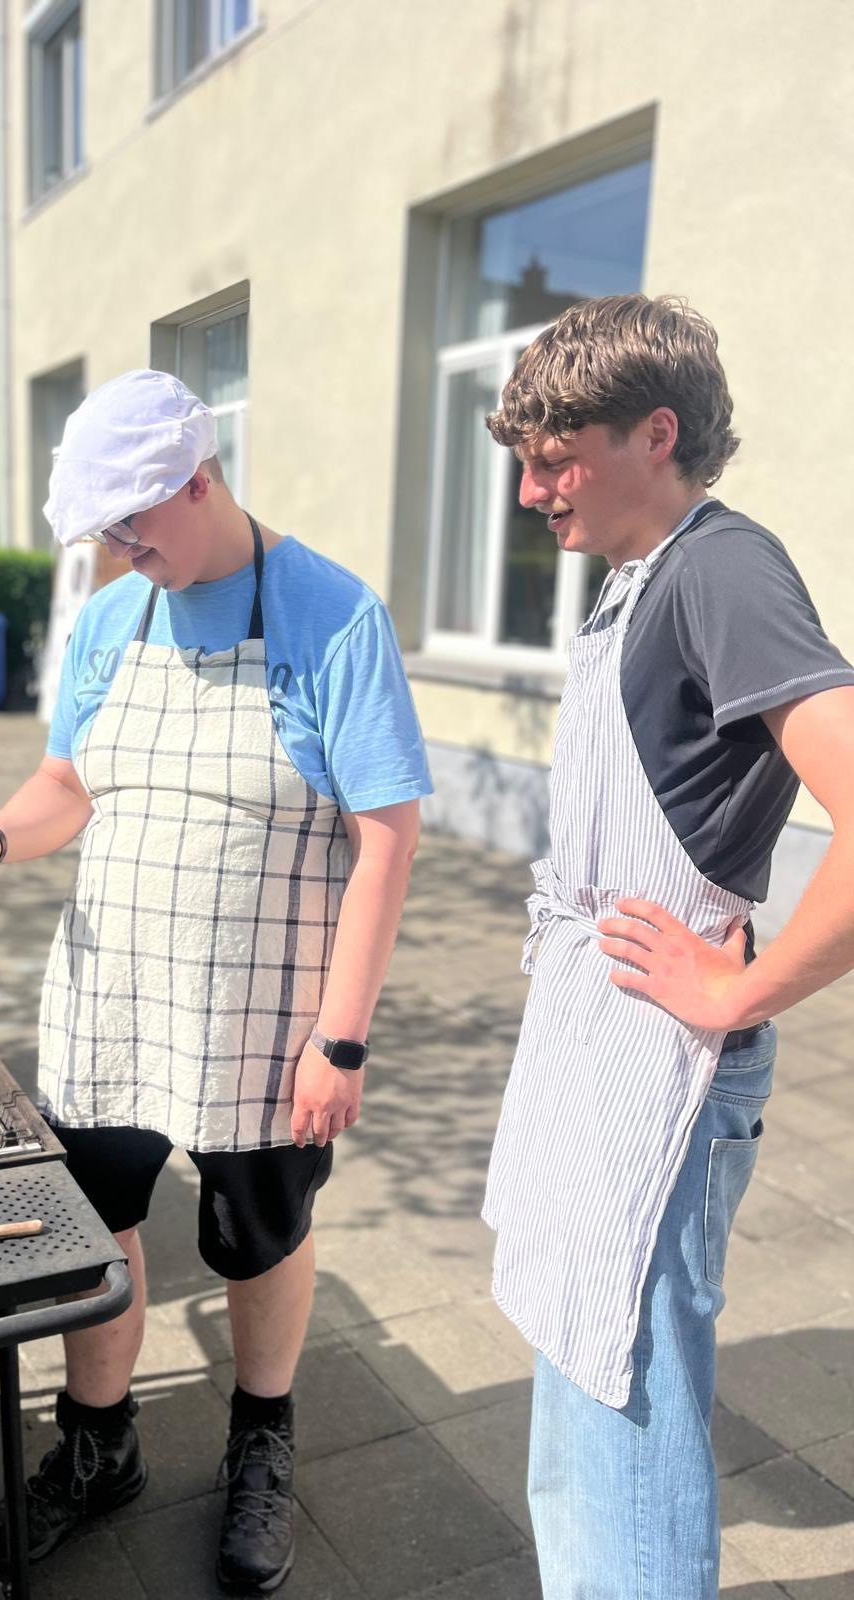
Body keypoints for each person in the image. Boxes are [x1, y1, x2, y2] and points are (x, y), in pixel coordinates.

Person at [0, 368, 431, 1595]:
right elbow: (69, 789)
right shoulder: (111, 619)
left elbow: (389, 838)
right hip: (111, 999)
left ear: (201, 479)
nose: (123, 552)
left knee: (258, 1233)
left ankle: (261, 1440)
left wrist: (340, 1039)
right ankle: (99, 1447)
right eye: (105, 535)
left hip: (265, 1017)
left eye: (136, 527)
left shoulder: (332, 617)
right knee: (99, 1224)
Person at [480, 293, 854, 1598]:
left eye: (556, 456)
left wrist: (744, 984)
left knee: (625, 1418)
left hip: (670, 1076)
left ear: (658, 433)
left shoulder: (721, 567)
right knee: (583, 1403)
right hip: (607, 1048)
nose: (533, 491)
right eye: (522, 459)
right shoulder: (635, 583)